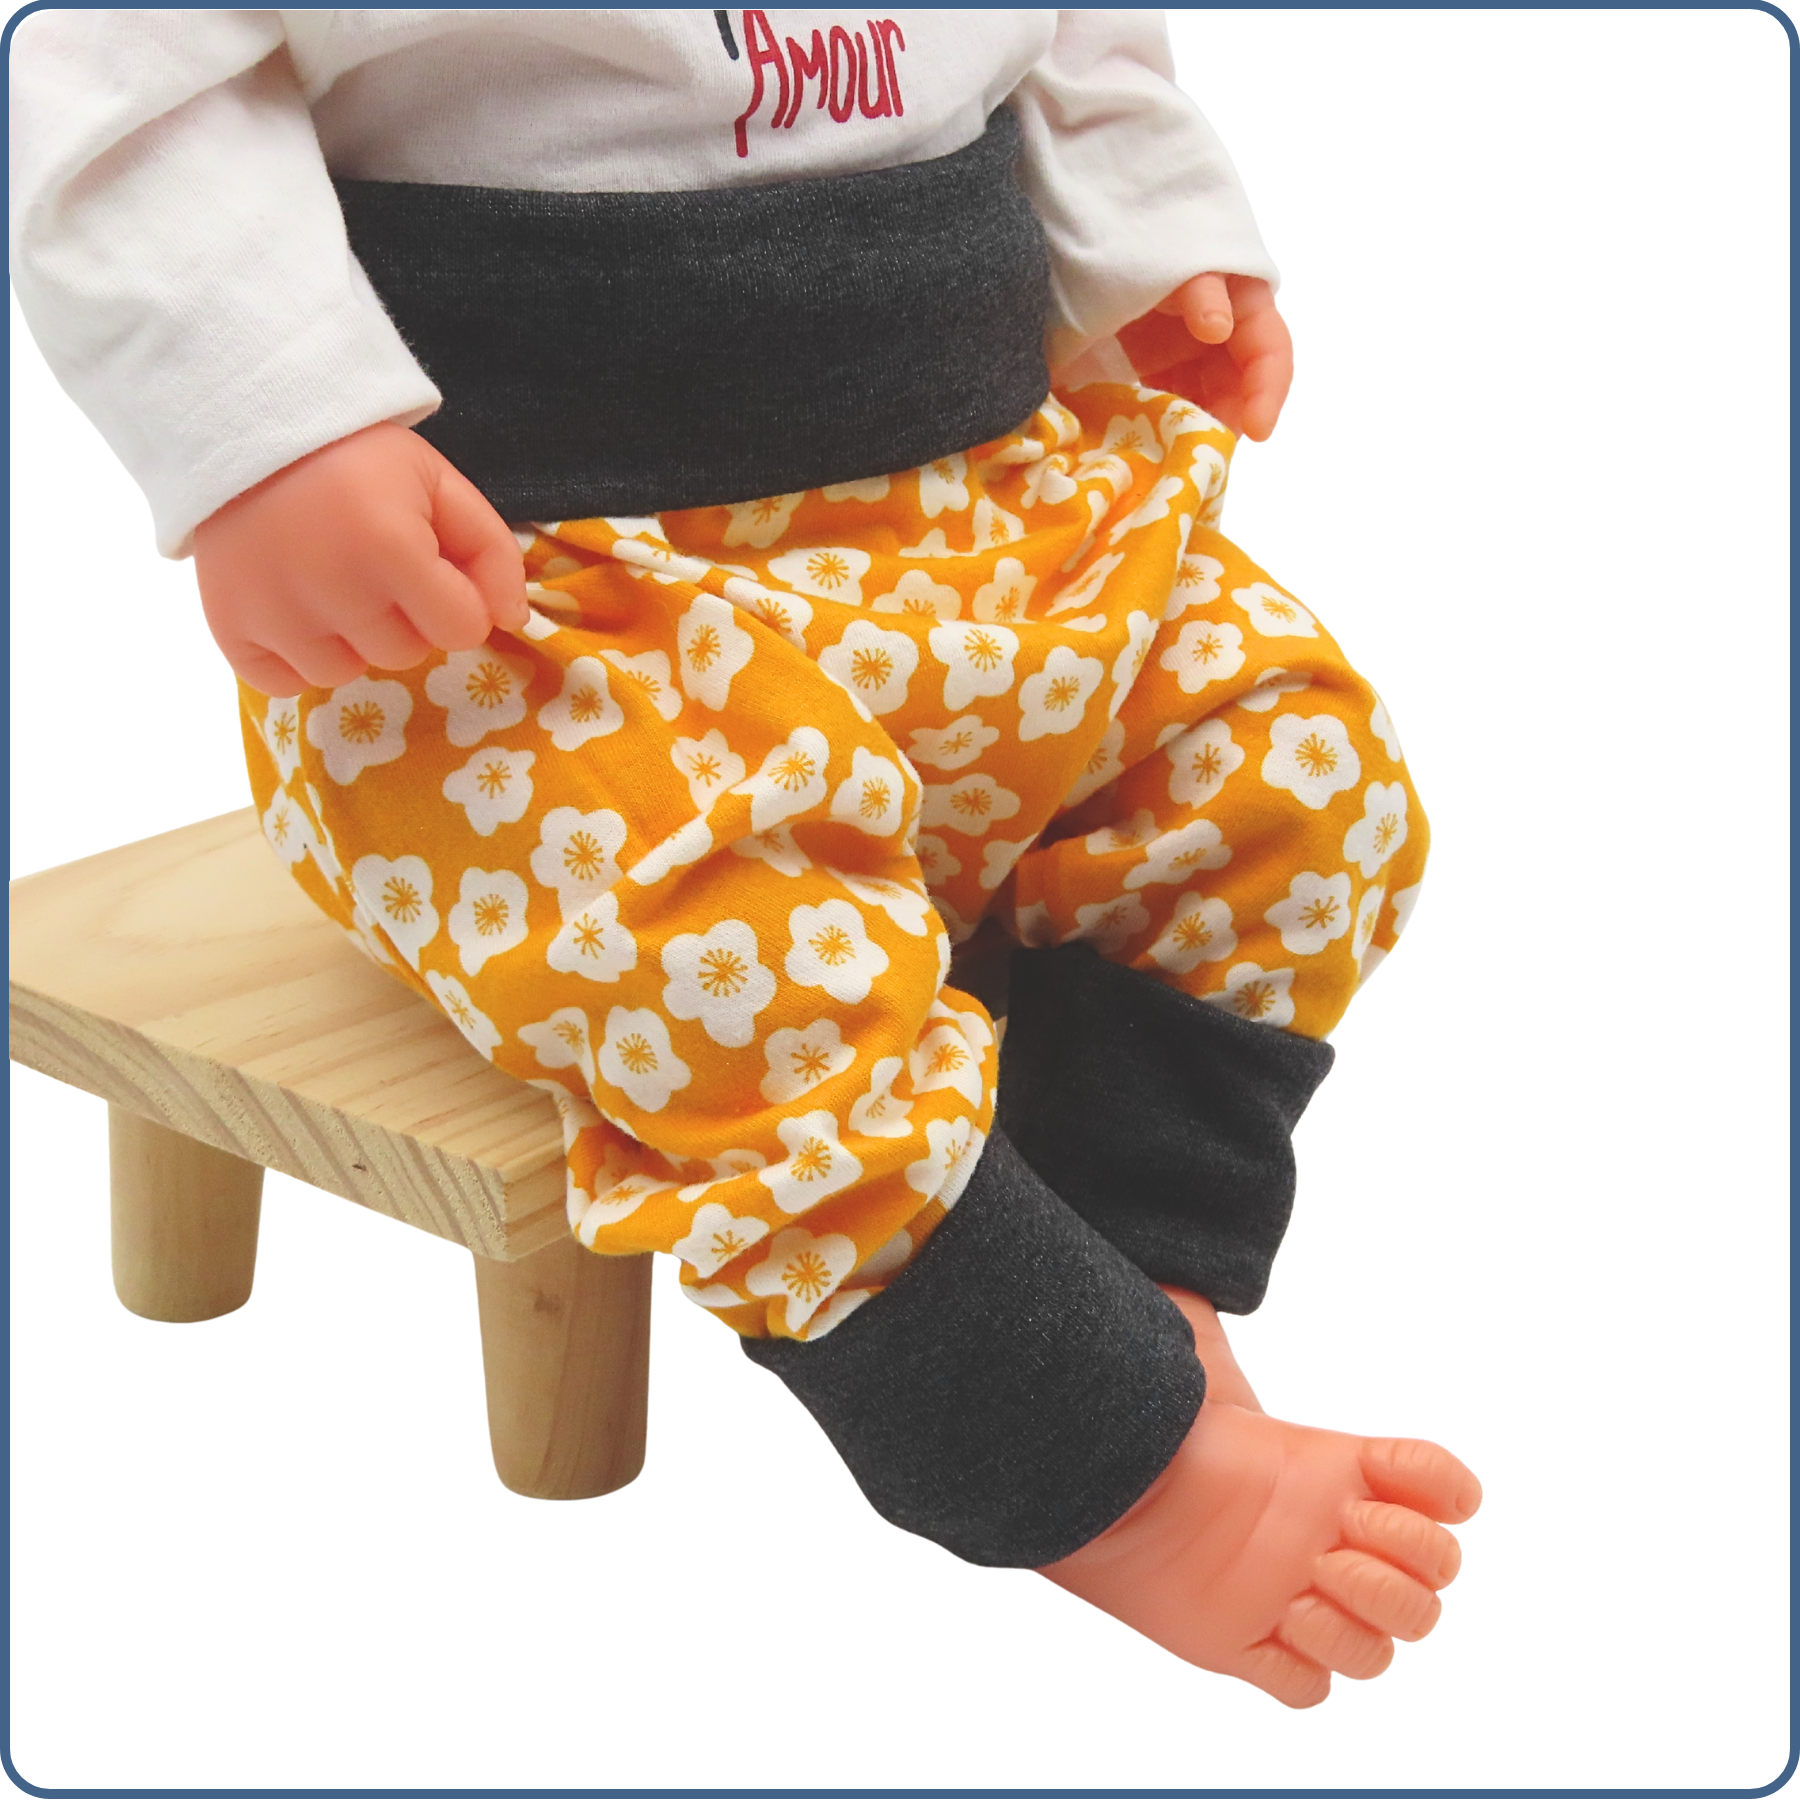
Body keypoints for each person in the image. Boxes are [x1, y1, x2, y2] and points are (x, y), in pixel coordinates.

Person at [10, 8, 1478, 1706]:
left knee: (1291, 768)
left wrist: (1142, 220)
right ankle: (1078, 1455)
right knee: (726, 960)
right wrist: (273, 428)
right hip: (537, 609)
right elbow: (113, 64)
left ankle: (1125, 1246)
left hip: (996, 526)